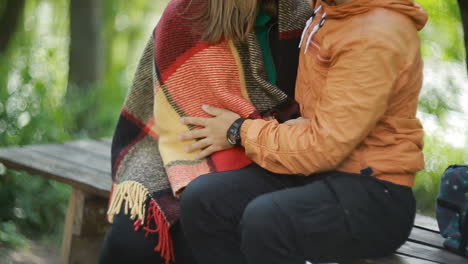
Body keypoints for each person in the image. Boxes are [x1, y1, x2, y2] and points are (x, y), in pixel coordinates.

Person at [178, 0, 428, 263]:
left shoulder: (377, 34)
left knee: (267, 220)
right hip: (322, 170)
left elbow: (322, 147)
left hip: (375, 194)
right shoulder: (330, 8)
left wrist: (239, 130)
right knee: (204, 200)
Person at [99, 0, 311, 263]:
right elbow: (188, 112)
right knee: (132, 239)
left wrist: (241, 129)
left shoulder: (302, 14)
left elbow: (311, 113)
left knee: (203, 231)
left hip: (272, 145)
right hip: (179, 142)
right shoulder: (186, 12)